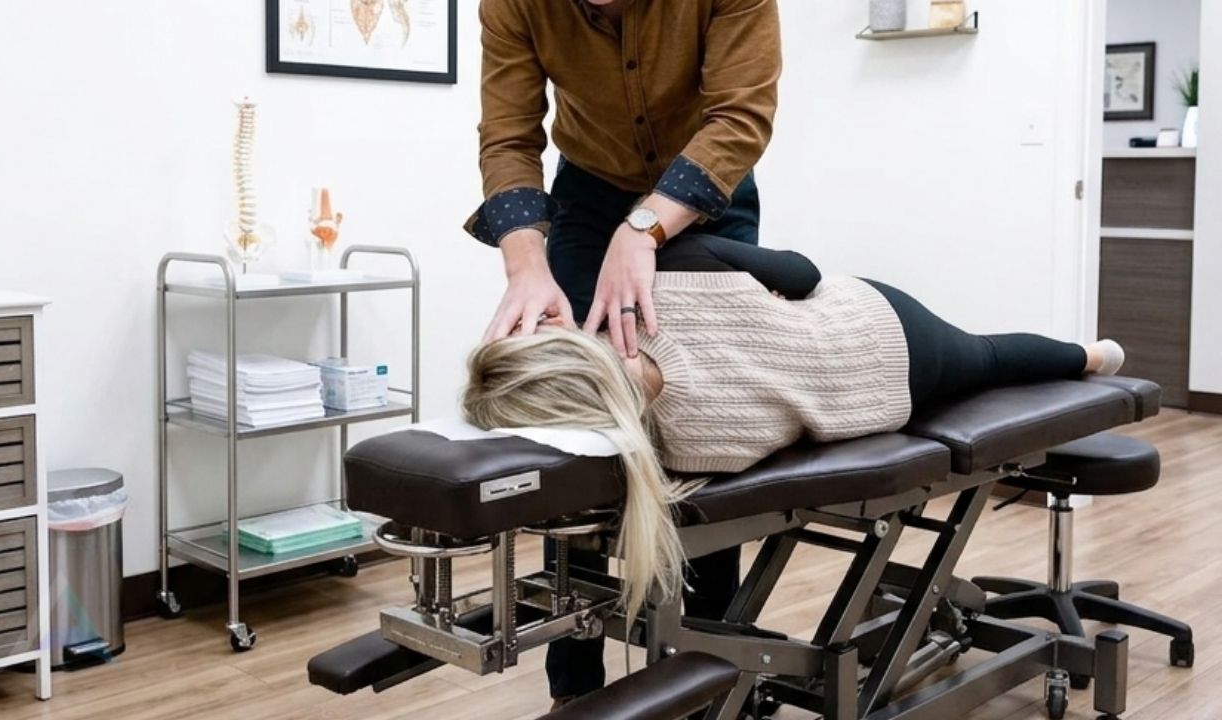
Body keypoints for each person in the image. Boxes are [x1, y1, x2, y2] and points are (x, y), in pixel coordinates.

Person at [462, 235, 1126, 654]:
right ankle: (1092, 355)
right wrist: (767, 303)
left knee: (985, 359)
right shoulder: (671, 274)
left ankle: (1087, 355)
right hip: (875, 326)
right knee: (987, 355)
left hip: (875, 398)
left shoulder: (684, 452)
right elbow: (802, 272)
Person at [466, 0, 781, 704]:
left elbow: (741, 114)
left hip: (706, 191)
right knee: (577, 420)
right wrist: (525, 262)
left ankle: (710, 676)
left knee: (701, 421)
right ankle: (574, 689)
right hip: (586, 192)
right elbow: (509, 134)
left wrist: (644, 229)